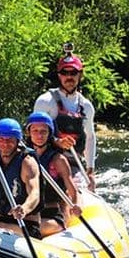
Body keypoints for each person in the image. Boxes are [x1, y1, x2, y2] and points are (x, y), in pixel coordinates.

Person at [33, 43, 97, 191]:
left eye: (73, 73)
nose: (69, 77)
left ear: (80, 75)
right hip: (45, 160)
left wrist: (91, 170)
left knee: (76, 188)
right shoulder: (45, 101)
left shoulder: (86, 106)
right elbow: (33, 134)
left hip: (73, 163)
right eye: (65, 73)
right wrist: (57, 142)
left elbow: (90, 138)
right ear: (59, 75)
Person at [24, 112, 82, 236]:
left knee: (27, 230)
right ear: (28, 132)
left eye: (43, 131)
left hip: (52, 214)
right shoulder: (22, 157)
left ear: (50, 133)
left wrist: (75, 204)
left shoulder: (58, 160)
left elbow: (72, 191)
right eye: (35, 131)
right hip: (29, 212)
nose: (39, 135)